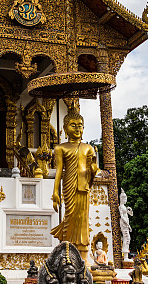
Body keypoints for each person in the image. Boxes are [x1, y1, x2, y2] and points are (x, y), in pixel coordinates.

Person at [50, 111, 98, 262]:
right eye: (73, 126)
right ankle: (67, 251)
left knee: (82, 218)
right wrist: (55, 192)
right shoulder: (60, 148)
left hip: (84, 185)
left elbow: (92, 168)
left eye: (80, 126)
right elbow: (59, 171)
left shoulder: (88, 148)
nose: (77, 129)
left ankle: (82, 255)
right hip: (69, 183)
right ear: (64, 128)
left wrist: (94, 170)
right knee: (69, 216)